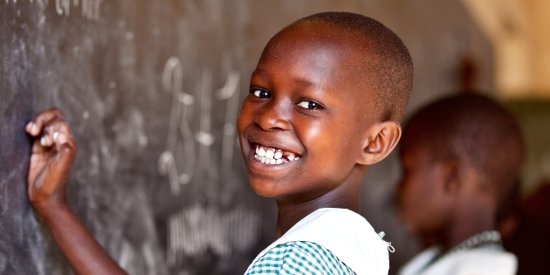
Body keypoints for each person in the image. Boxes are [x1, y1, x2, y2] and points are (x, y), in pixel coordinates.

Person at [25, 11, 413, 275]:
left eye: (309, 104)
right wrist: (54, 207)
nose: (269, 116)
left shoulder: (298, 262)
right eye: (260, 92)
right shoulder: (350, 247)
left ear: (375, 142)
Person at [395, 93, 524, 275]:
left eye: (407, 171)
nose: (397, 187)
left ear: (451, 178)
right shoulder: (438, 260)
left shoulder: (483, 271)